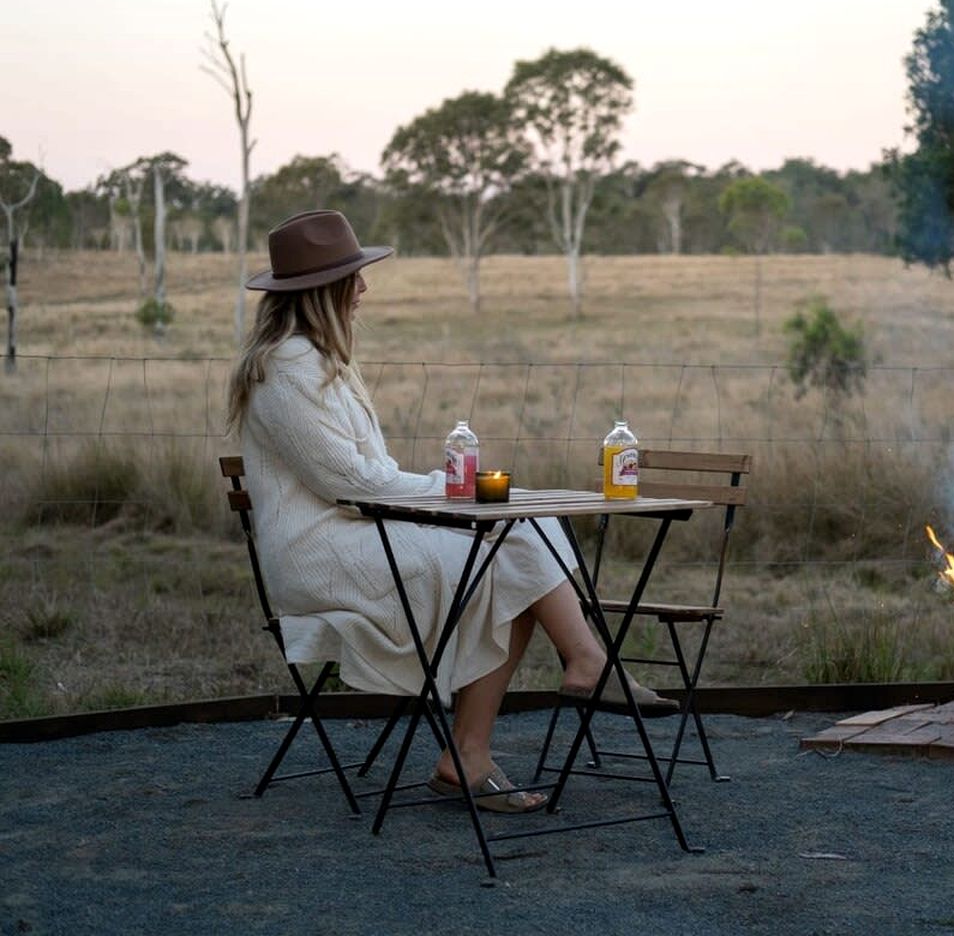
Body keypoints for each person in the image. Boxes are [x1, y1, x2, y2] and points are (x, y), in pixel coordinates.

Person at [226, 210, 676, 813]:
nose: (363, 288)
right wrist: (452, 489)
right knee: (504, 549)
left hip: (361, 531)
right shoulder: (285, 371)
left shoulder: (321, 362)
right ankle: (572, 675)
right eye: (352, 277)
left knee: (517, 538)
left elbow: (366, 480)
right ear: (320, 292)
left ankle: (488, 739)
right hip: (321, 552)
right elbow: (350, 482)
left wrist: (459, 496)